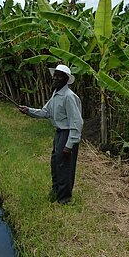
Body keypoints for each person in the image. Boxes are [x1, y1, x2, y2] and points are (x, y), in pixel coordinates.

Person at [18, 64, 83, 205]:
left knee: (64, 166)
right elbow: (45, 112)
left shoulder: (69, 97)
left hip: (67, 134)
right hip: (59, 134)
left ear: (66, 79)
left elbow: (77, 122)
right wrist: (28, 110)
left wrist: (69, 145)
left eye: (59, 76)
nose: (55, 78)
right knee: (55, 164)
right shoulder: (56, 94)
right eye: (55, 75)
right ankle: (56, 191)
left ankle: (64, 199)